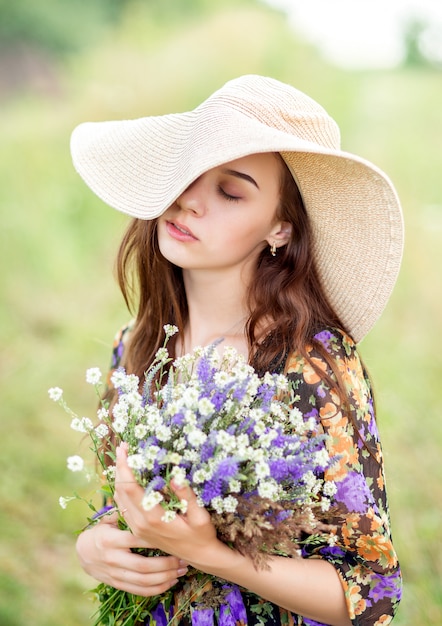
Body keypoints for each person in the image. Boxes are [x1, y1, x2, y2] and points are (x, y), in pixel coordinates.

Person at [70, 75, 403, 626]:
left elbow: (370, 597)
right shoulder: (138, 345)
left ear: (279, 227)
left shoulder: (311, 363)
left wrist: (213, 556)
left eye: (230, 191)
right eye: (189, 174)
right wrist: (95, 545)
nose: (189, 201)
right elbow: (123, 501)